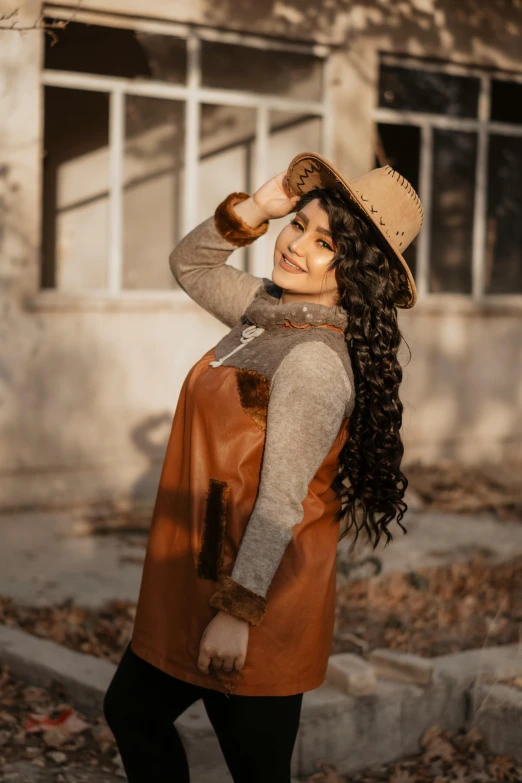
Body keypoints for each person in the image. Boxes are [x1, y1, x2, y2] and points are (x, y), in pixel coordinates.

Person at [102, 151, 424, 783]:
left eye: (325, 242)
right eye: (299, 224)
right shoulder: (268, 313)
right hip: (202, 576)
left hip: (256, 599)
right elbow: (189, 264)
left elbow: (282, 500)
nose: (297, 244)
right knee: (133, 713)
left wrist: (238, 610)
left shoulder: (312, 360)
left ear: (355, 272)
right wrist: (255, 207)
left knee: (233, 759)